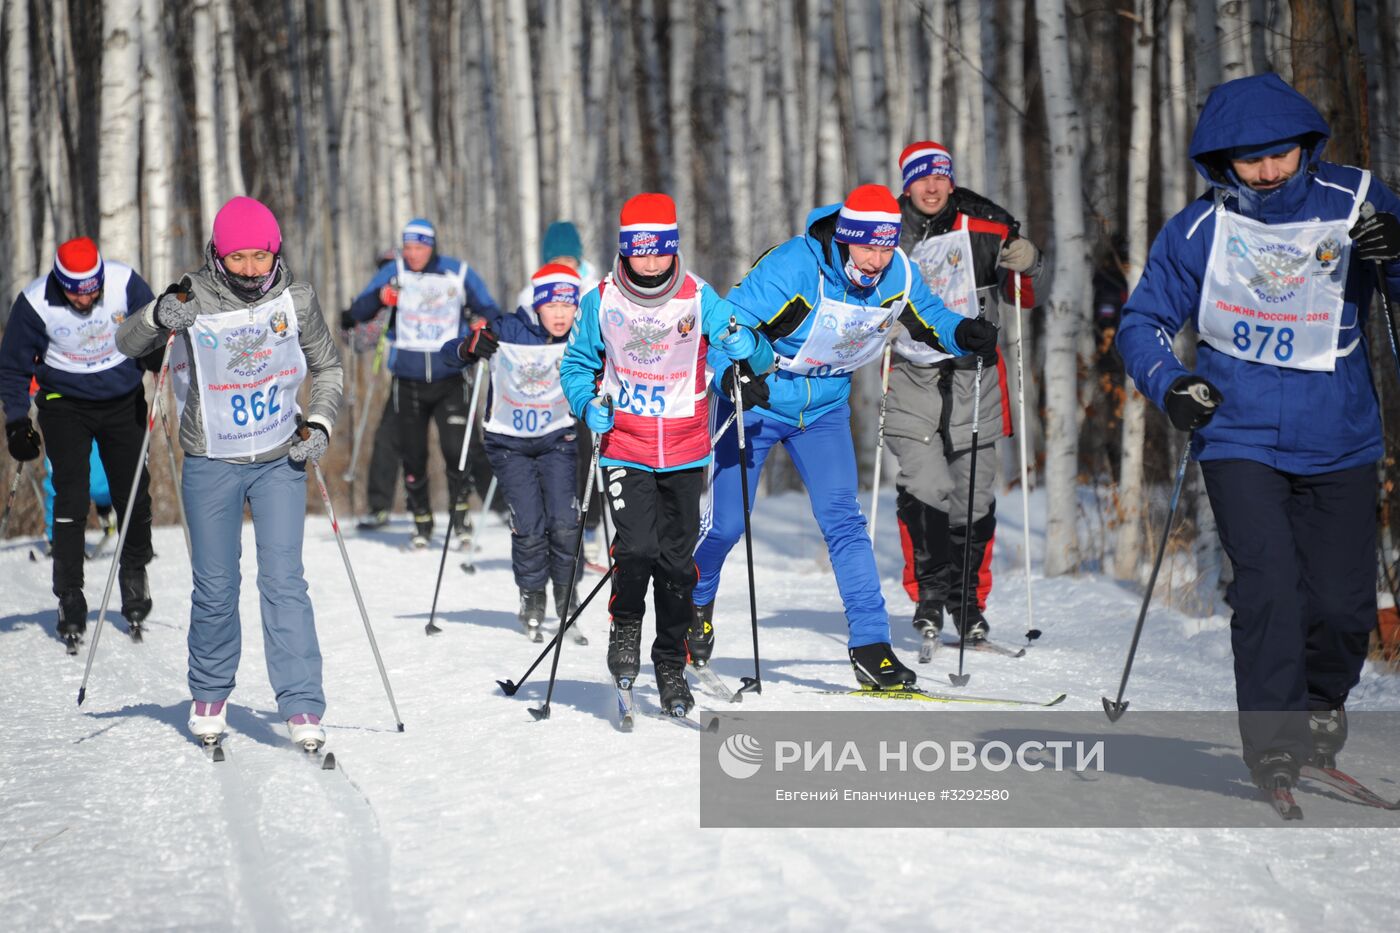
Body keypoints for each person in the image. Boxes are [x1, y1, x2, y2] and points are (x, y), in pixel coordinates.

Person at [1116, 73, 1400, 794]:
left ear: (1306, 145)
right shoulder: (1197, 231)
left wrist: (1395, 255)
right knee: (1269, 587)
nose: (1271, 172)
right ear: (1222, 161)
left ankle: (1317, 709)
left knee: (1342, 605)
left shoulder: (1357, 202)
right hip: (1238, 434)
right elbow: (1141, 323)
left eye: (1282, 154)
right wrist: (1172, 385)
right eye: (1251, 160)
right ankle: (1273, 743)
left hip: (1340, 433)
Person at [690, 184, 998, 688]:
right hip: (756, 401)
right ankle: (693, 602)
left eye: (886, 246)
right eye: (868, 246)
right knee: (726, 524)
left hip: (824, 410)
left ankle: (870, 645)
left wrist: (962, 332)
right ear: (845, 238)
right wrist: (730, 373)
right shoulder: (794, 267)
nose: (877, 259)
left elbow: (927, 315)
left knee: (846, 524)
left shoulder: (896, 271)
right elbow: (727, 324)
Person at [116, 196, 344, 750]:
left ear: (275, 254)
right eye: (236, 257)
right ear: (217, 254)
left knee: (284, 583)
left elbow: (329, 367)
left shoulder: (297, 298)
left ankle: (302, 705)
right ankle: (211, 692)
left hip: (280, 459)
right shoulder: (191, 296)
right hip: (212, 459)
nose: (248, 270)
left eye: (259, 258)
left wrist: (318, 423)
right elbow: (127, 344)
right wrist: (156, 315)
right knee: (216, 587)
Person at [560, 193, 772, 717]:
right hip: (624, 446)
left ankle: (670, 662)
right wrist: (588, 405)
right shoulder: (601, 300)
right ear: (625, 249)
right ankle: (626, 628)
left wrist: (747, 348)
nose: (650, 262)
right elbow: (576, 364)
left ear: (674, 247)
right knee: (635, 550)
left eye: (660, 250)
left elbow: (756, 353)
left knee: (678, 566)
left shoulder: (700, 298)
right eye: (640, 250)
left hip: (684, 449)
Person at [885, 140, 1048, 643]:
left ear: (950, 181)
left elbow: (1022, 296)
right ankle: (930, 597)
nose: (931, 187)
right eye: (920, 178)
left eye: (940, 177)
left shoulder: (985, 224)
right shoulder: (885, 231)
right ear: (907, 184)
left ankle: (968, 604)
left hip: (975, 378)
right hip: (912, 379)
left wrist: (1029, 262)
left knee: (972, 497)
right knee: (926, 486)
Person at [0, 237, 158, 646]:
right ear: (60, 281)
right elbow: (14, 367)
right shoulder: (35, 302)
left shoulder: (125, 283)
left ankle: (134, 571)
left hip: (123, 401)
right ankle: (70, 594)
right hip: (64, 403)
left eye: (91, 290)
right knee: (71, 496)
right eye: (75, 291)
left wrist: (156, 355)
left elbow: (154, 328)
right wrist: (17, 423)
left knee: (134, 495)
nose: (84, 299)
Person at [445, 263, 583, 642]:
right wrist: (470, 345)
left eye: (568, 305)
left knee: (565, 521)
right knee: (529, 524)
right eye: (551, 305)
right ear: (537, 305)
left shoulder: (581, 335)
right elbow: (450, 354)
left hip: (558, 438)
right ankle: (532, 596)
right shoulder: (507, 327)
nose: (560, 314)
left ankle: (566, 593)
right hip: (510, 443)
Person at [347, 219, 500, 548]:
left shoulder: (456, 272)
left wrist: (486, 321)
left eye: (419, 247)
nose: (413, 254)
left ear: (432, 246)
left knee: (457, 451)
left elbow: (489, 307)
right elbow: (358, 310)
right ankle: (422, 521)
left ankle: (460, 519)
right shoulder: (396, 272)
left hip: (450, 377)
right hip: (409, 379)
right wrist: (380, 297)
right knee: (413, 454)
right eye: (408, 247)